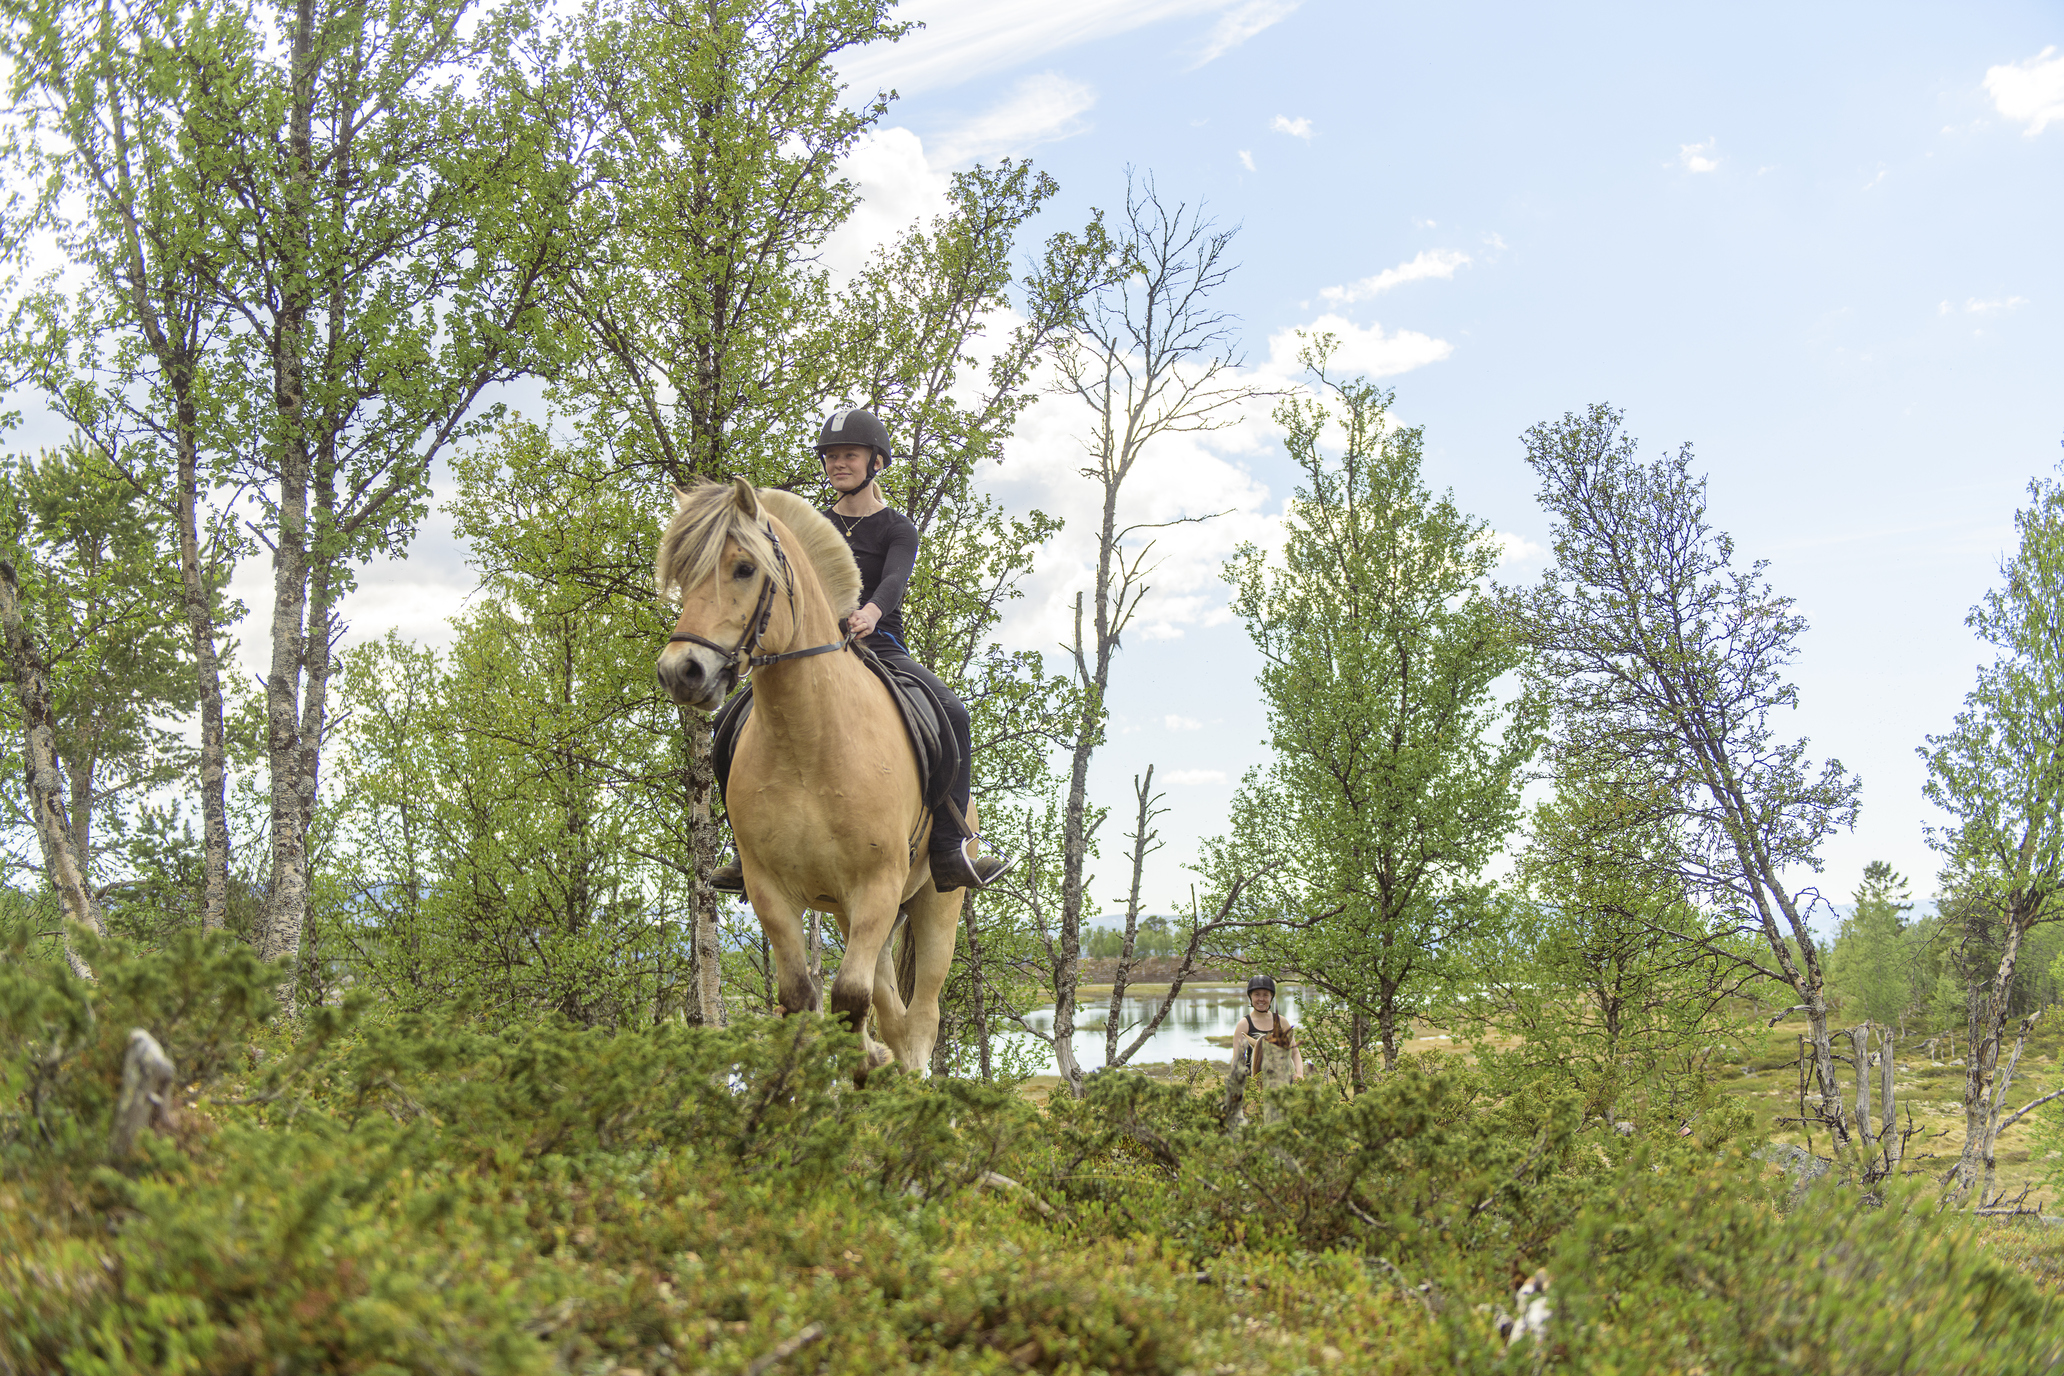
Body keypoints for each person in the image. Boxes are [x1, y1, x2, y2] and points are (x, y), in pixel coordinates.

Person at [711, 407, 1015, 894]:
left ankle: (950, 846)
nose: (837, 464)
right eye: (830, 457)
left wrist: (871, 612)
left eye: (848, 455)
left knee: (955, 713)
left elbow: (894, 580)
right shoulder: (812, 526)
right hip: (812, 654)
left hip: (881, 647)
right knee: (727, 720)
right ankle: (744, 849)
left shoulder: (897, 529)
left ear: (876, 462)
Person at [1225, 973, 1302, 1126]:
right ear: (1251, 997)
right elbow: (1237, 1059)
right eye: (1257, 994)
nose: (1261, 999)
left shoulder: (1281, 1021)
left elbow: (1294, 1052)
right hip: (1255, 1082)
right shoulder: (1244, 1024)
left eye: (1265, 995)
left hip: (1282, 1081)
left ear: (1271, 997)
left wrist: (1299, 1073)